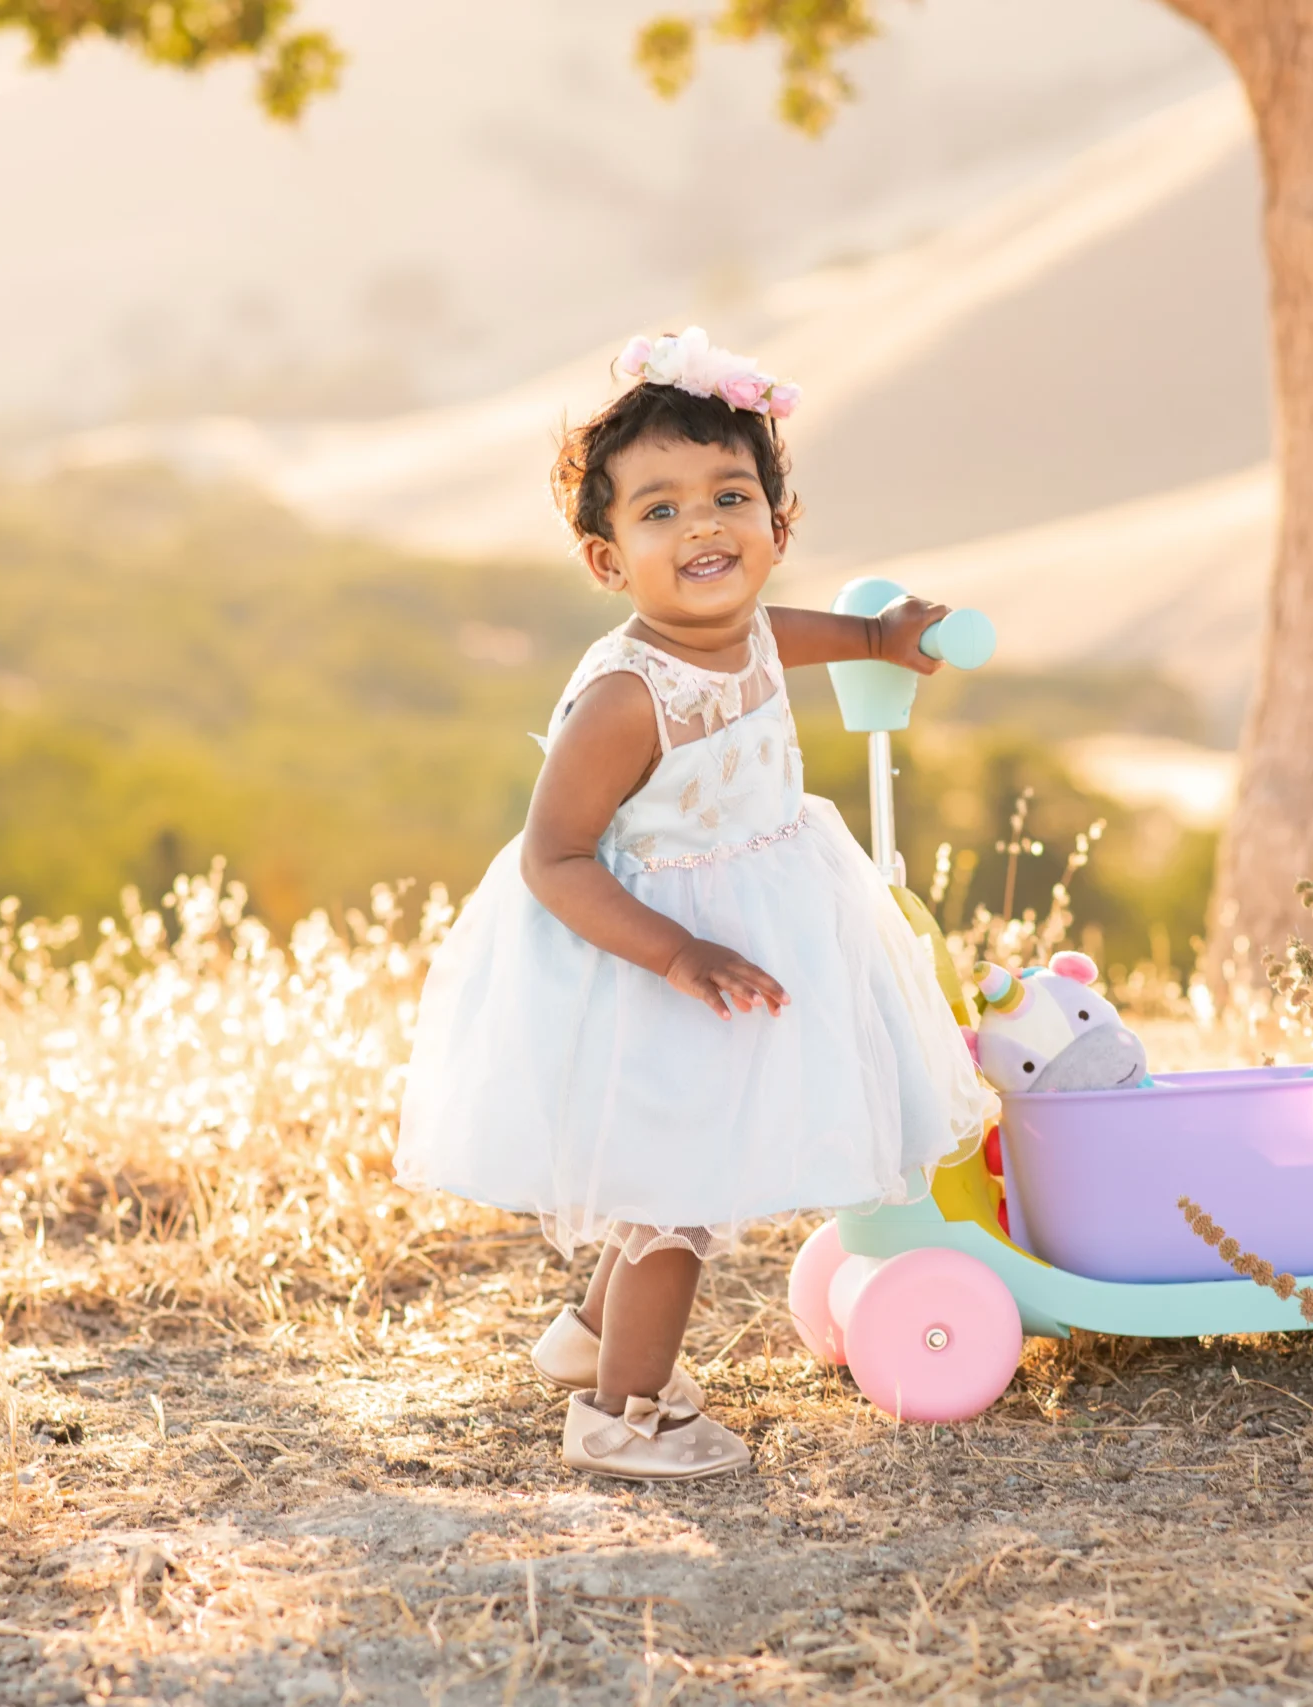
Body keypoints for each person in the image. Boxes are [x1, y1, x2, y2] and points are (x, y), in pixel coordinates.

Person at [394, 328, 992, 1481]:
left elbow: (790, 640)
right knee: (676, 1191)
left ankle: (587, 1337)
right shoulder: (627, 696)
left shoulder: (747, 630)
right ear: (607, 559)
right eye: (658, 511)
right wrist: (677, 953)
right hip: (644, 959)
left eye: (729, 496)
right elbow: (553, 857)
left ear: (778, 524)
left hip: (748, 923)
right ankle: (624, 1414)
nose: (702, 526)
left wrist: (879, 638)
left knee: (672, 1171)